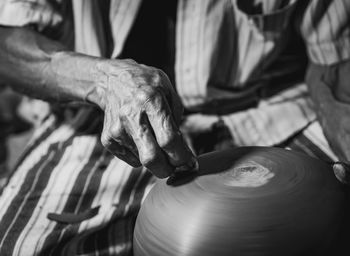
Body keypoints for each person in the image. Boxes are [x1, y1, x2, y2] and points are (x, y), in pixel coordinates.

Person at [0, 0, 349, 255]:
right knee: (24, 247)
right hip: (98, 113)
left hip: (267, 108)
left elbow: (333, 61)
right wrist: (106, 81)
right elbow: (7, 45)